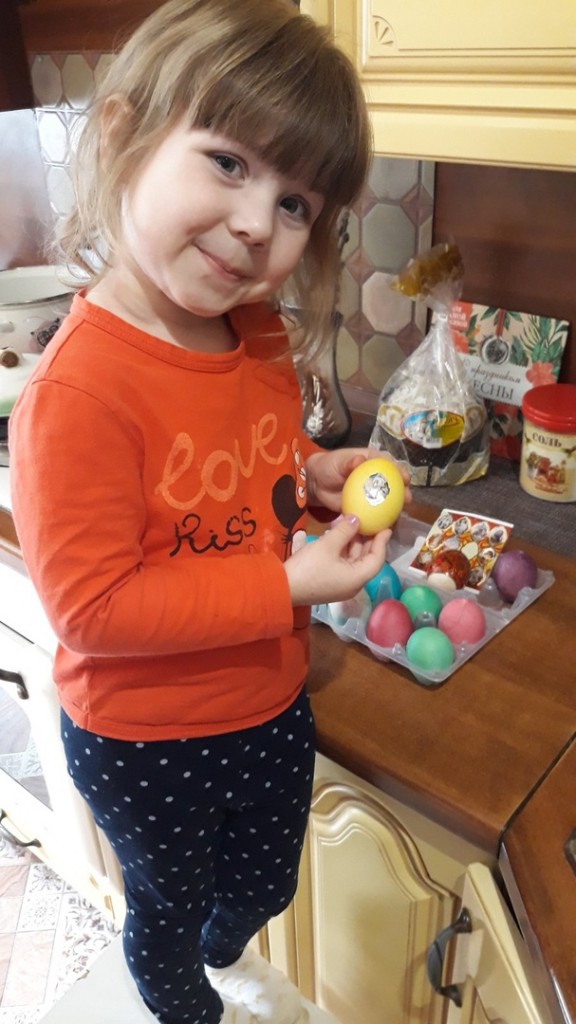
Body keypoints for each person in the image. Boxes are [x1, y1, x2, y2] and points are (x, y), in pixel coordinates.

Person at [10, 1, 408, 1022]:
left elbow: (248, 462)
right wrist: (285, 584)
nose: (257, 223)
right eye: (228, 162)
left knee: (264, 887)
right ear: (123, 136)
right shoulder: (79, 392)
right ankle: (190, 1005)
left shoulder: (256, 333)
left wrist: (311, 475)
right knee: (167, 909)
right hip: (145, 739)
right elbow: (95, 609)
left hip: (268, 699)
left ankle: (217, 952)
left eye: (295, 203)